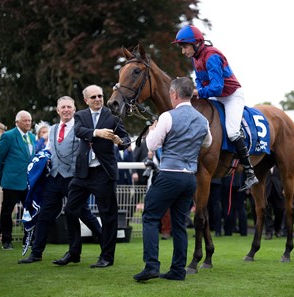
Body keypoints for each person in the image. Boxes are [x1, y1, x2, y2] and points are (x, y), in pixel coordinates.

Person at [133, 77, 212, 282]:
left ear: (175, 94)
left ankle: (151, 265)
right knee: (179, 224)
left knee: (150, 217)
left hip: (169, 174)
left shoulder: (168, 116)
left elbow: (151, 145)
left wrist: (152, 130)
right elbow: (207, 142)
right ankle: (178, 270)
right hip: (189, 178)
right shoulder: (202, 120)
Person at [172, 24, 257, 192]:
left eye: (184, 47)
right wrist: (196, 90)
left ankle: (249, 172)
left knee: (232, 131)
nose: (183, 51)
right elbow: (199, 81)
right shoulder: (196, 58)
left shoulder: (211, 56)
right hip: (216, 95)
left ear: (196, 43)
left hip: (231, 95)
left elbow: (217, 87)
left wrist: (197, 92)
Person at [18, 96, 102, 264]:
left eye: (69, 107)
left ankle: (105, 243)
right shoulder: (53, 129)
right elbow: (49, 149)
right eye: (62, 107)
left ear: (74, 109)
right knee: (44, 215)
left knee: (82, 214)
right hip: (55, 178)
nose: (66, 110)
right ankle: (36, 253)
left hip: (74, 179)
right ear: (58, 110)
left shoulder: (81, 128)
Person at [53, 85, 130, 268]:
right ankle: (74, 252)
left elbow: (126, 139)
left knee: (108, 215)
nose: (98, 99)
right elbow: (79, 131)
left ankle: (107, 257)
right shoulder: (80, 116)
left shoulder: (113, 116)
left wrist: (120, 142)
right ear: (86, 100)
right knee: (71, 210)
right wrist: (97, 133)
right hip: (83, 173)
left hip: (104, 172)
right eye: (93, 97)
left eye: (100, 96)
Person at [0, 111, 36, 250]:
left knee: (30, 211)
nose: (28, 123)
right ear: (17, 122)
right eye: (25, 121)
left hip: (28, 181)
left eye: (29, 120)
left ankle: (28, 239)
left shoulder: (32, 137)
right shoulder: (9, 136)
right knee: (7, 211)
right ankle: (6, 240)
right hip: (12, 181)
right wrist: (4, 174)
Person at [264, 166, 284, 240]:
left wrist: (284, 188)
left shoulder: (280, 165)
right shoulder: (264, 165)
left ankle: (277, 229)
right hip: (267, 191)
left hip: (278, 191)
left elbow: (285, 176)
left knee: (280, 210)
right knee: (267, 212)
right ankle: (269, 232)